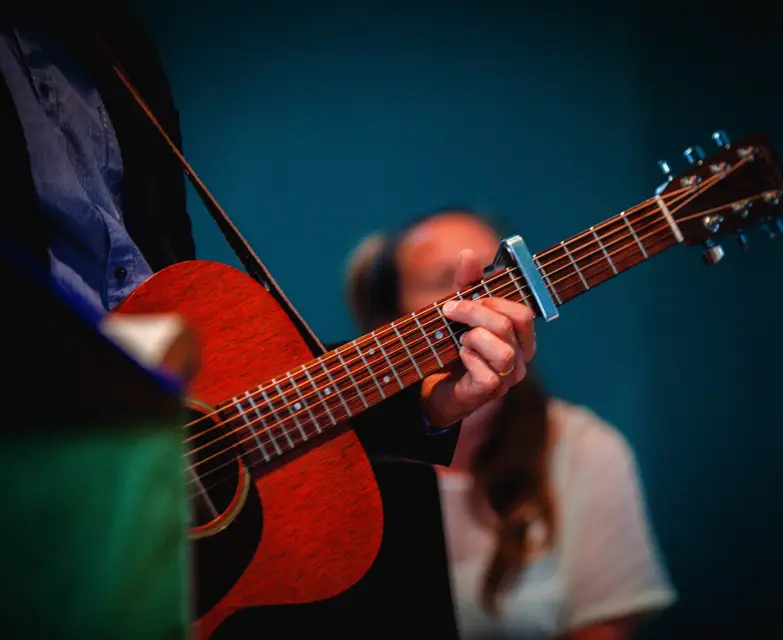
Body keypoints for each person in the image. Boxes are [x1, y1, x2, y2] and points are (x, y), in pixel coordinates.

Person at [0, 1, 536, 636]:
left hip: (168, 533)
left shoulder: (114, 40)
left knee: (380, 526)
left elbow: (191, 360)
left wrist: (427, 398)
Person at [345, 208, 677, 639]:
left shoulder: (585, 448)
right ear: (385, 322)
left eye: (493, 282)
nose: (470, 304)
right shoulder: (343, 454)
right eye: (437, 281)